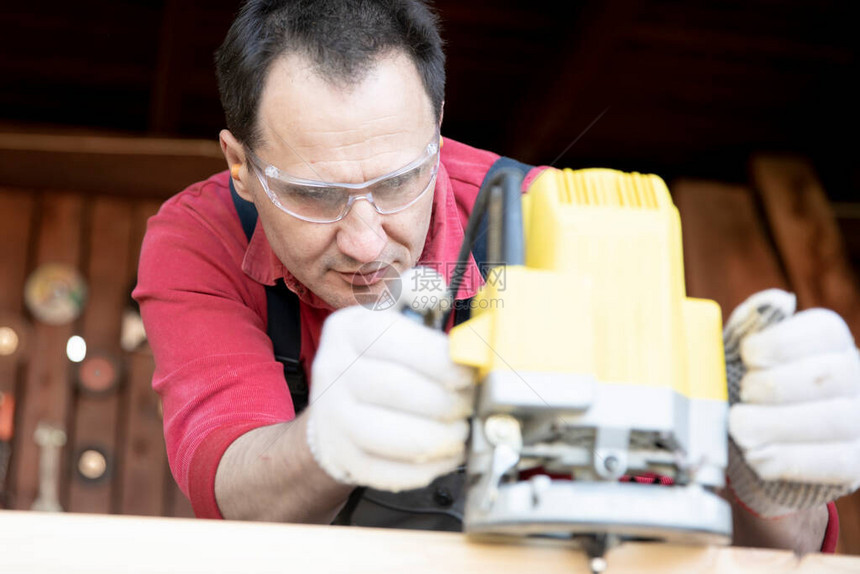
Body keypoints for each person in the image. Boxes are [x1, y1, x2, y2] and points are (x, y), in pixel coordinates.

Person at [134, 0, 860, 555]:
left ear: (438, 127)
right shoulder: (197, 237)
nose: (362, 242)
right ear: (241, 165)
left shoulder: (560, 220)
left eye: (398, 182)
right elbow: (233, 487)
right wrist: (326, 441)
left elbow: (772, 541)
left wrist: (761, 476)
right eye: (315, 195)